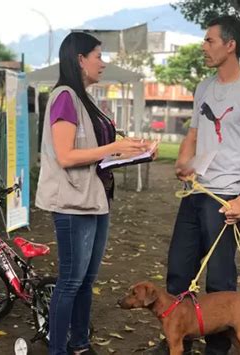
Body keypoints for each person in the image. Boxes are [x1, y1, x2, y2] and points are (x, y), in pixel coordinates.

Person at [148, 15, 240, 355]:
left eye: (209, 41)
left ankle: (217, 349)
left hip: (226, 199)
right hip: (195, 194)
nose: (203, 46)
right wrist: (182, 162)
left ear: (230, 45)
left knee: (218, 280)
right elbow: (193, 133)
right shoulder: (204, 87)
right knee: (178, 271)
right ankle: (178, 341)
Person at [35, 32, 151, 355]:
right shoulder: (64, 98)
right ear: (79, 59)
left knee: (86, 281)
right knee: (70, 282)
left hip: (95, 200)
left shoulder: (83, 98)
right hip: (73, 204)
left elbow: (95, 153)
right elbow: (66, 155)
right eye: (98, 56)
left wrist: (132, 152)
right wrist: (114, 147)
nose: (103, 62)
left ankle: (80, 344)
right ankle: (58, 349)